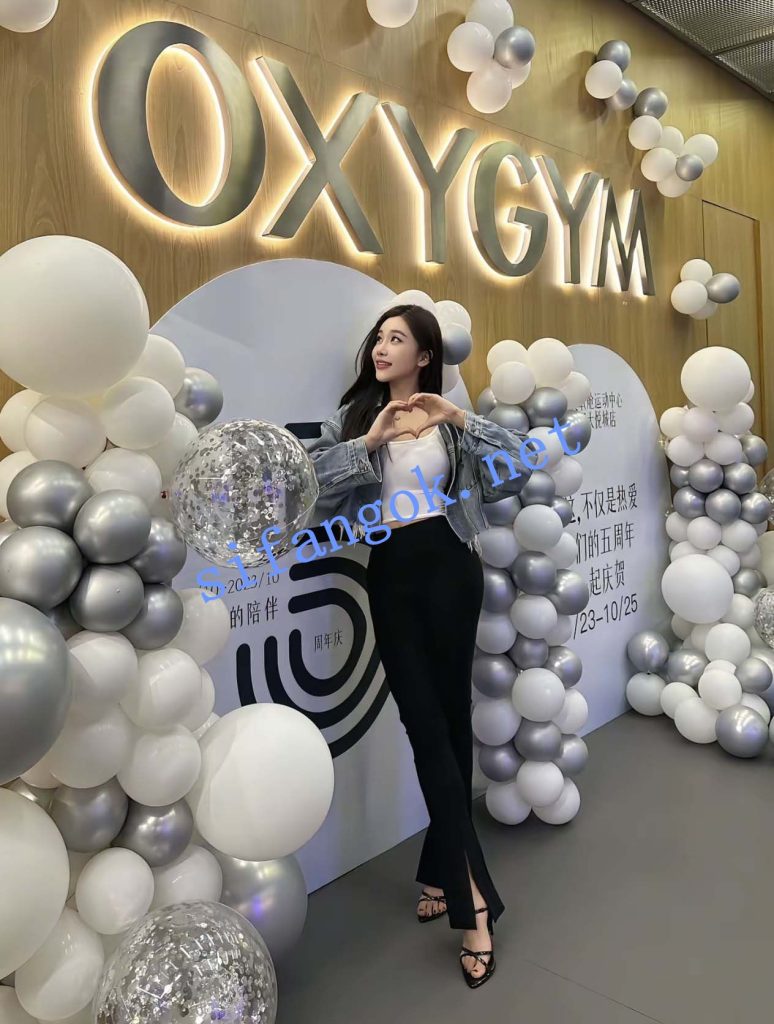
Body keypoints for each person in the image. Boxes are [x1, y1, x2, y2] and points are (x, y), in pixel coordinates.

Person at [306, 303, 533, 988]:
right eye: (378, 338)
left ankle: (444, 873)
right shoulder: (353, 422)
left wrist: (459, 419)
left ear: (425, 356)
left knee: (453, 720)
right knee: (424, 723)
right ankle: (473, 900)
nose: (381, 348)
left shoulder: (450, 422)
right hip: (393, 572)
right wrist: (370, 441)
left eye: (397, 339)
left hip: (452, 567)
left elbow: (519, 469)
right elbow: (312, 492)